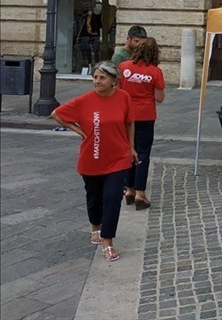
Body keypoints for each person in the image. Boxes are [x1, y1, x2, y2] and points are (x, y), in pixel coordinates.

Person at [50, 61, 139, 262]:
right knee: (94, 197)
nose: (97, 81)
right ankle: (95, 227)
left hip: (118, 157)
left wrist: (131, 147)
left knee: (112, 198)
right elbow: (57, 114)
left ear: (114, 81)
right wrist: (79, 130)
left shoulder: (123, 97)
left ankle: (108, 241)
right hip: (92, 158)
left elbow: (129, 122)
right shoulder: (84, 100)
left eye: (102, 78)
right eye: (95, 77)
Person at [119, 38, 165, 210]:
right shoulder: (155, 71)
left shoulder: (123, 67)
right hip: (145, 115)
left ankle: (128, 189)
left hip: (126, 114)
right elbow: (159, 98)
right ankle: (140, 193)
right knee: (143, 153)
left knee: (128, 150)